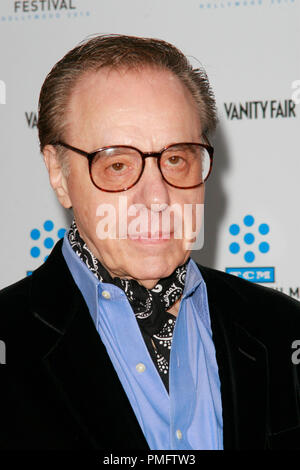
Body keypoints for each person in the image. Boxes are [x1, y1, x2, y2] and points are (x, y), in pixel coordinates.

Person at [0, 34, 299, 451]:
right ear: (58, 173)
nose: (157, 199)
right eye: (118, 165)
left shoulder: (285, 329)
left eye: (176, 158)